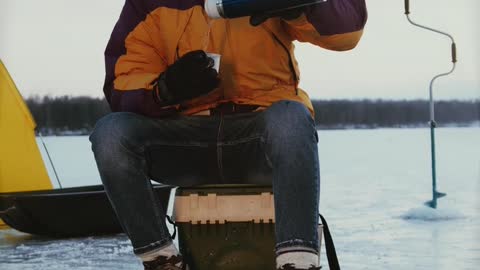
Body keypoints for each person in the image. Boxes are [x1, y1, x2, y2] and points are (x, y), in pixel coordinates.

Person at [90, 0, 367, 269]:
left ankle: (298, 261)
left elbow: (346, 32)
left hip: (261, 135)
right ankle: (161, 260)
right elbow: (123, 79)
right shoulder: (148, 3)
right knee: (111, 134)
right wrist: (164, 91)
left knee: (291, 118)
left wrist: (301, 6)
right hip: (187, 140)